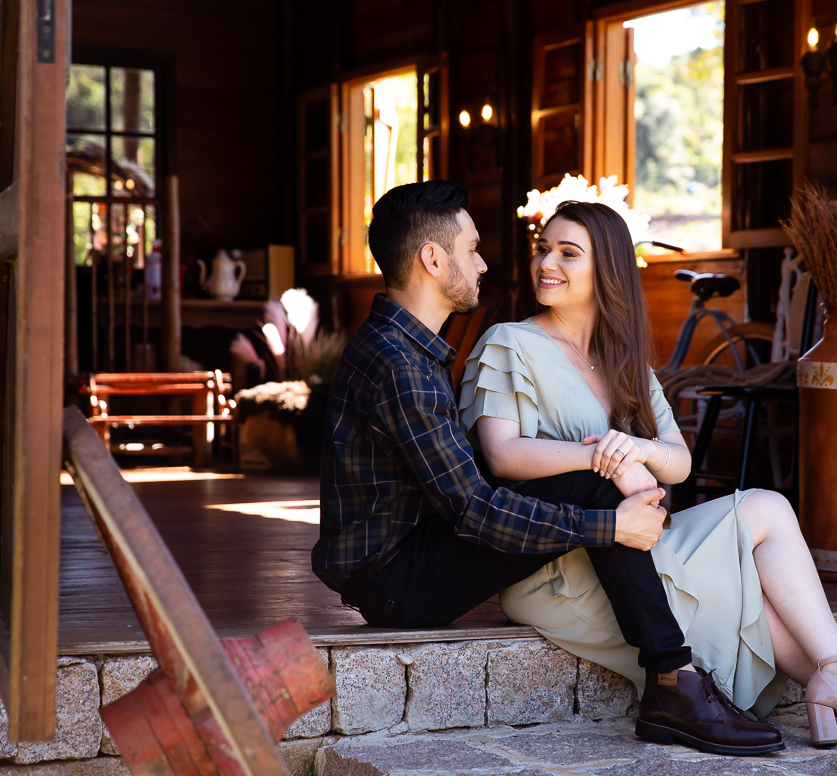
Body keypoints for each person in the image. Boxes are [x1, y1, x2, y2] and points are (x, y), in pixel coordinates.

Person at [458, 199, 837, 749]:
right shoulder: (512, 342)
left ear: (607, 269)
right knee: (753, 586)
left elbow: (679, 461)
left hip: (639, 543)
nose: (546, 263)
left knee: (769, 507)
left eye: (567, 253)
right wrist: (606, 453)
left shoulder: (623, 360)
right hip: (561, 561)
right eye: (543, 249)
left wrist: (638, 448)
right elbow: (504, 456)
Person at [314, 180, 785, 756]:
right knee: (599, 486)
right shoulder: (398, 363)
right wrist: (609, 526)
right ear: (433, 259)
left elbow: (473, 496)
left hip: (416, 551)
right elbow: (475, 510)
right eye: (471, 249)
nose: (484, 263)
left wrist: (613, 473)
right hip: (398, 584)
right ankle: (671, 679)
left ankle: (672, 683)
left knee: (598, 479)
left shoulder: (412, 348)